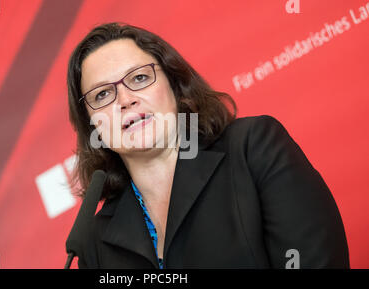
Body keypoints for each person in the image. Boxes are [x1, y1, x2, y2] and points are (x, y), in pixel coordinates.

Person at [66, 22, 349, 269]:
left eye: (139, 78)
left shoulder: (252, 149)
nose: (125, 99)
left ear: (175, 85)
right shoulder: (93, 244)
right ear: (92, 124)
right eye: (102, 94)